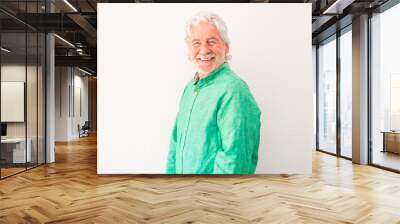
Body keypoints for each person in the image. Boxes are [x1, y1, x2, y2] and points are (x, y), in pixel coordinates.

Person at [166, 12, 261, 174]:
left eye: (211, 41)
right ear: (189, 48)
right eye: (196, 43)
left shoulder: (234, 90)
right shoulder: (190, 87)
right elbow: (175, 143)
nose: (204, 50)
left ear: (226, 47)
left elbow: (235, 158)